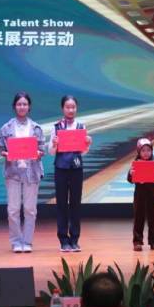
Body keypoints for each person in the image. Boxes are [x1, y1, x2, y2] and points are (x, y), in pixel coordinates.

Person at [0, 92, 46, 253]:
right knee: (13, 209)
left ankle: (28, 241)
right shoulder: (6, 128)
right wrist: (6, 153)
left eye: (25, 104)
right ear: (14, 106)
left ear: (29, 107)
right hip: (13, 171)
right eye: (19, 104)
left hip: (32, 171)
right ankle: (16, 242)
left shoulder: (36, 128)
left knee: (30, 209)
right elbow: (1, 148)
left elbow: (42, 149)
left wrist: (38, 153)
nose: (22, 107)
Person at [48, 95, 92, 252]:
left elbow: (83, 152)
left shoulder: (81, 126)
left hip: (76, 169)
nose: (71, 110)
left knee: (75, 204)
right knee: (61, 204)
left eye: (73, 107)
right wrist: (54, 144)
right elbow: (51, 152)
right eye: (68, 107)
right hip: (61, 169)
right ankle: (63, 240)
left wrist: (87, 144)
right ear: (63, 108)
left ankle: (74, 239)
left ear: (76, 108)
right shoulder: (56, 127)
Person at [127, 138, 154, 251]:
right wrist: (131, 174)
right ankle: (137, 241)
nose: (146, 153)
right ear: (139, 152)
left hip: (152, 194)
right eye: (143, 150)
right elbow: (130, 179)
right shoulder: (136, 164)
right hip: (139, 194)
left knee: (153, 218)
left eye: (148, 150)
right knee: (139, 218)